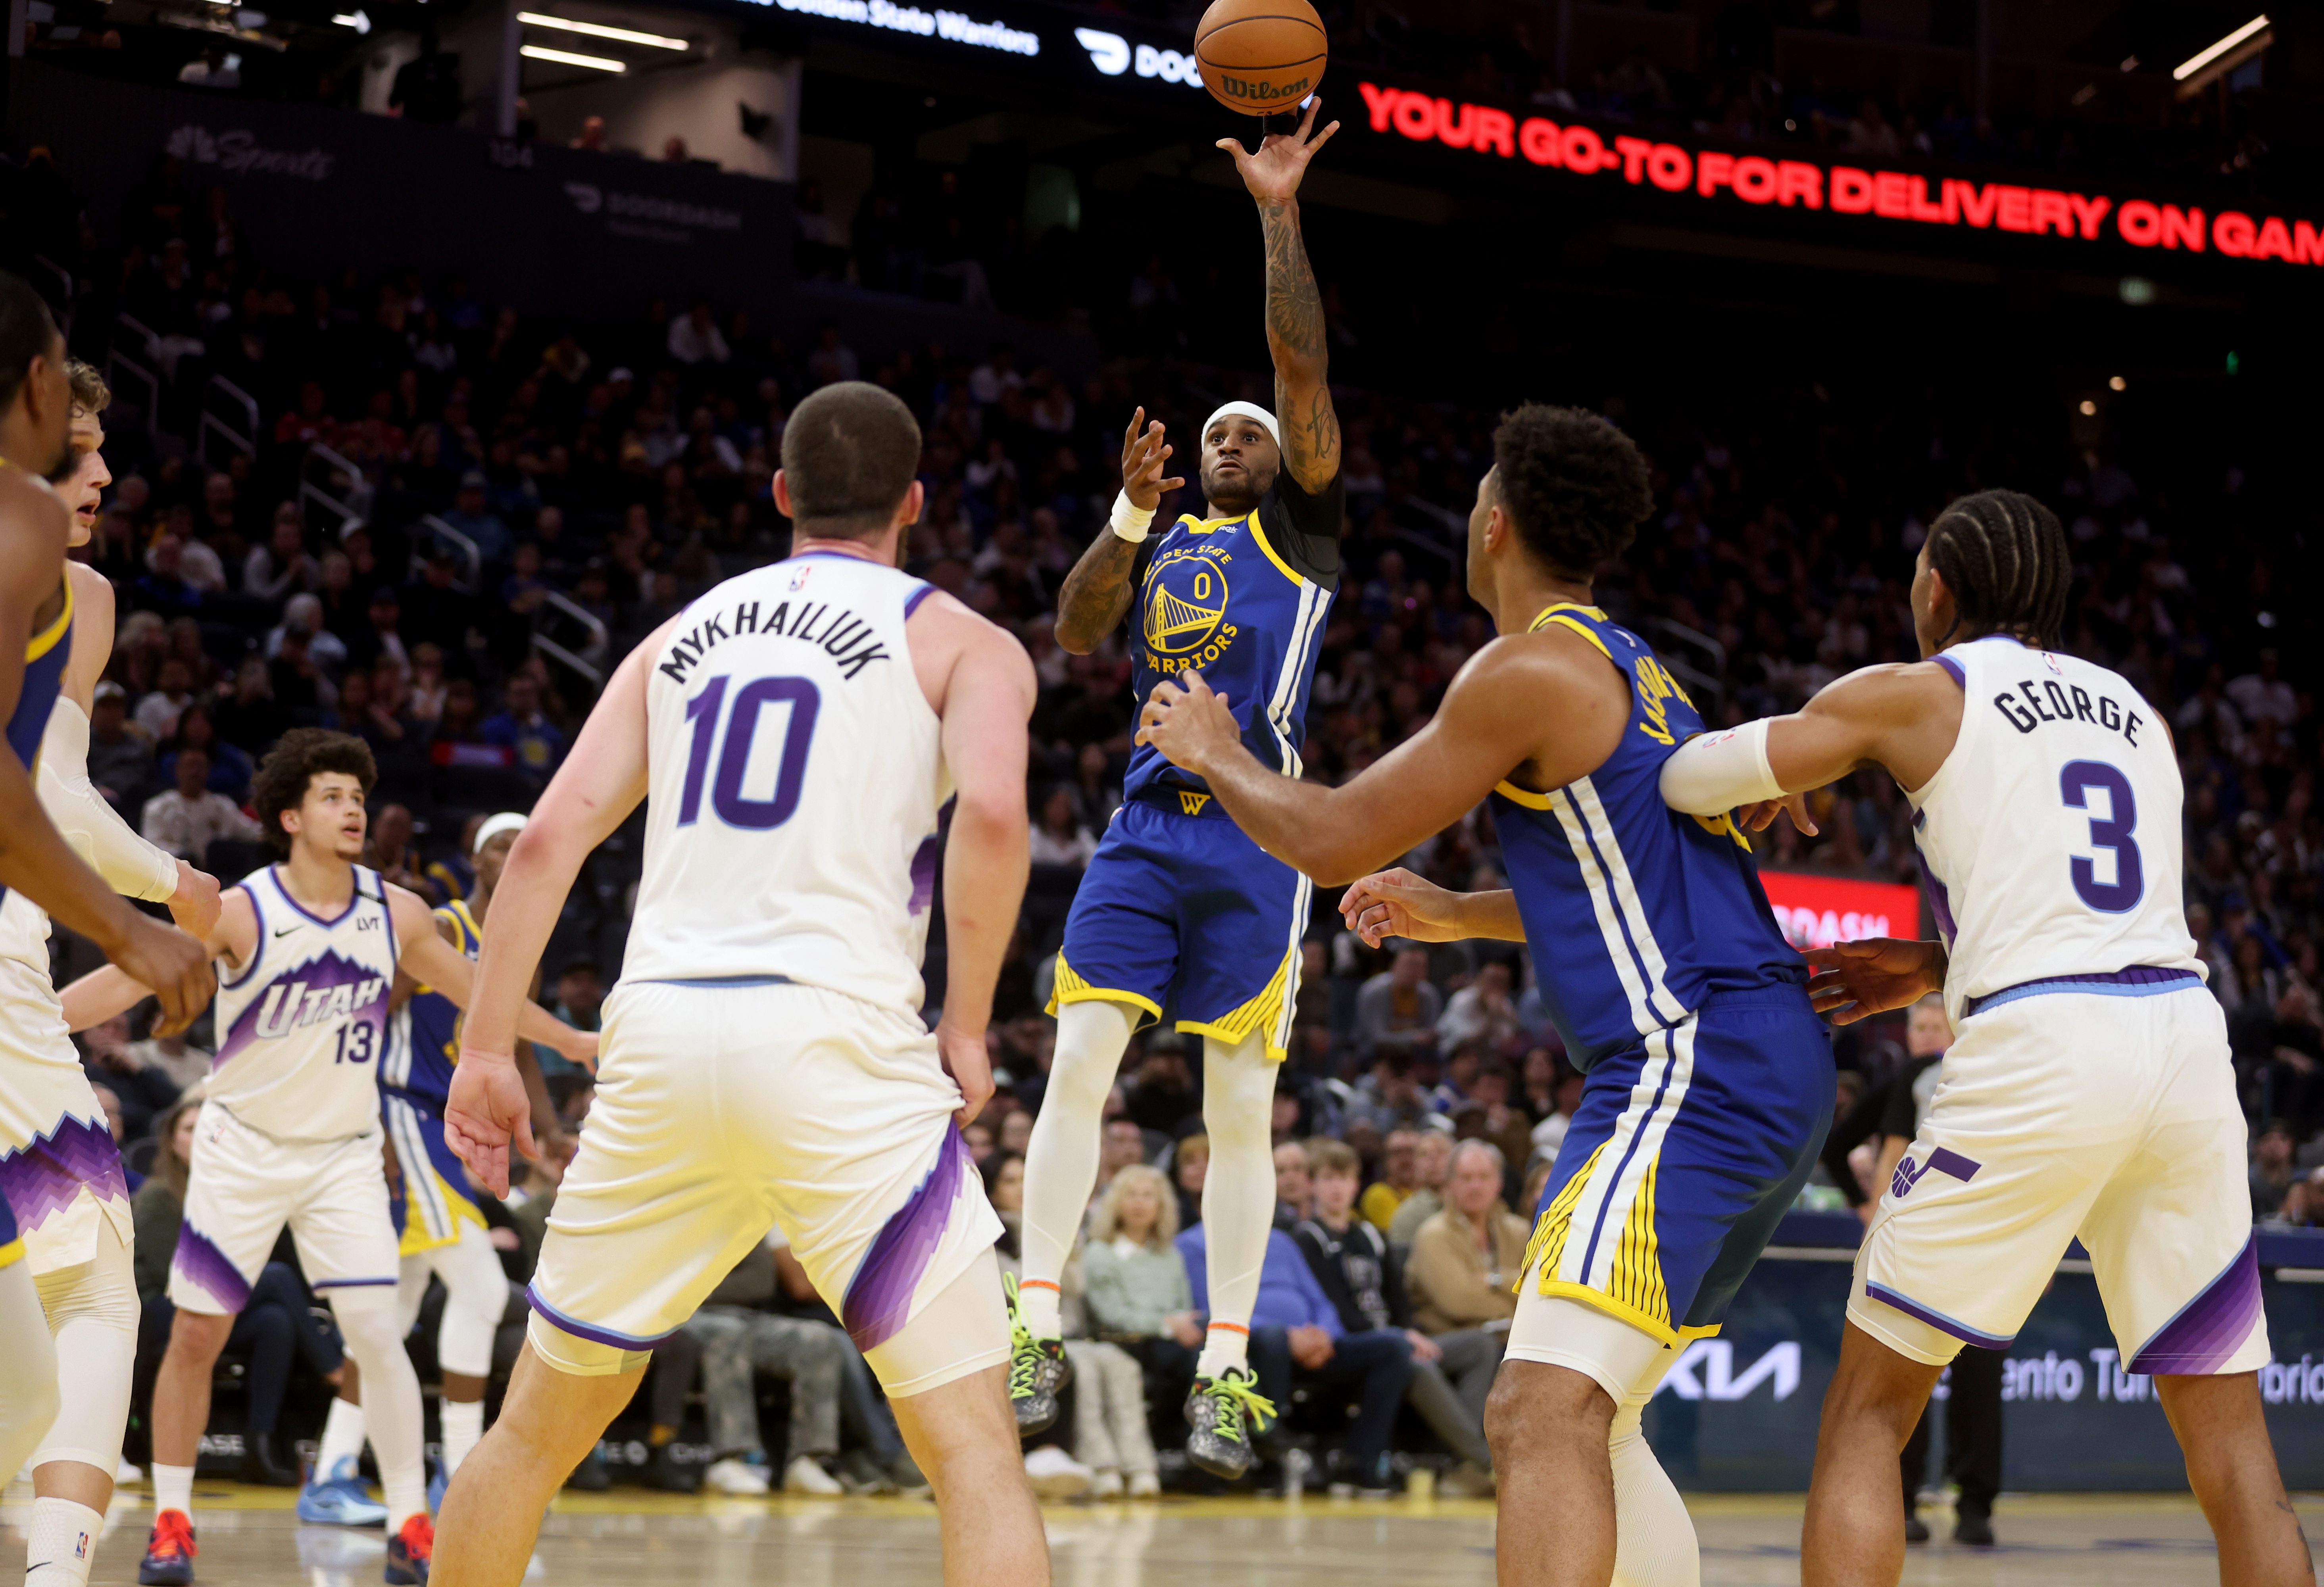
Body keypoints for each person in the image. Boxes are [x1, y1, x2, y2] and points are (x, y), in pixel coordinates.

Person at [1138, 401, 1832, 1587]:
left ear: (1495, 523)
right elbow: (1632, 889)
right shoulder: (1633, 666)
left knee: (1532, 1411)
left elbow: (1335, 832)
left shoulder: (1527, 667)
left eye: (1470, 499)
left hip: (1686, 1064)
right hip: (1755, 1057)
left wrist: (1215, 751)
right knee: (1589, 1416)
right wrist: (1456, 913)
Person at [427, 381, 1049, 1587]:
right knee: (974, 1455)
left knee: (528, 1438)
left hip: (658, 1035)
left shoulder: (678, 635)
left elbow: (548, 841)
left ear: (780, 496)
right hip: (835, 1040)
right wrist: (966, 1019)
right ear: (914, 504)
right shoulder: (961, 640)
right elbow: (996, 810)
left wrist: (488, 1048)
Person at [1657, 488, 2311, 1586]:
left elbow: (1689, 778)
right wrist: (1928, 963)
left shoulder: (1920, 690)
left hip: (2045, 1052)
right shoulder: (2137, 710)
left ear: (1937, 589)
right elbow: (2091, 913)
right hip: (2185, 1052)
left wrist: (1800, 768)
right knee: (2234, 1449)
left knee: (1868, 1420)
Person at [1015, 101, 1349, 1480]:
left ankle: (1222, 1368)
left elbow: (1296, 365)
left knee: (1233, 1108)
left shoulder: (1305, 528)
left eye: (1246, 434)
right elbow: (1077, 629)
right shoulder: (1157, 541)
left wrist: (1276, 213)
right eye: (1214, 434)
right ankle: (1028, 1321)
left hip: (1262, 839)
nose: (1228, 439)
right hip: (1149, 830)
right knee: (1079, 1065)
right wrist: (1124, 514)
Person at [60, 728, 594, 1587]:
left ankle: (413, 1524)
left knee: (379, 1336)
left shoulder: (397, 912)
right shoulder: (239, 908)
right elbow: (130, 977)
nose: (354, 809)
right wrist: (37, 1017)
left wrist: (571, 1035)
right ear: (289, 815)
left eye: (358, 796)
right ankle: (171, 1519)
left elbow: (479, 985)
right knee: (197, 1333)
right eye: (334, 798)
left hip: (344, 1155)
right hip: (239, 1149)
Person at [0, 350, 225, 1587]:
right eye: (76, 447)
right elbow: (49, 797)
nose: (100, 474)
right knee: (93, 1289)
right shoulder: (58, 578)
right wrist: (169, 891)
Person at [315, 814, 557, 1515]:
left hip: (440, 1125)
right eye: (500, 846)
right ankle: (460, 1476)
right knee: (482, 1292)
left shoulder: (523, 950)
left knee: (391, 1312)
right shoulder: (444, 929)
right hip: (399, 1112)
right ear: (477, 862)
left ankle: (332, 1474)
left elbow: (516, 1048)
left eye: (523, 846)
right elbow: (366, 1016)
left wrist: (548, 1133)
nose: (514, 856)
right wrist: (359, 1114)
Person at [1294, 1137, 1494, 1495]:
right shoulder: (1308, 1239)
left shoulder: (1370, 1235)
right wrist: (1400, 1338)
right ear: (1312, 1185)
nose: (1337, 1188)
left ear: (1356, 1184)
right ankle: (1487, 1460)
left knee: (1479, 1345)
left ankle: (1461, 1457)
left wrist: (1407, 1331)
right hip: (1343, 1343)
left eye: (1344, 1179)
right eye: (1327, 1179)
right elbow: (1333, 1305)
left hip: (1393, 1340)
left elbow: (1397, 1298)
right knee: (1402, 1356)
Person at [1078, 1163, 1194, 1499]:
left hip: (1171, 1341)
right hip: (1125, 1342)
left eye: (1148, 1196)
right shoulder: (1100, 1253)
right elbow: (1111, 1314)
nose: (1140, 1203)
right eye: (1131, 1195)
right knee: (1195, 1362)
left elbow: (1183, 1304)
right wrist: (1165, 1324)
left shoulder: (1170, 1255)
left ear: (1162, 1206)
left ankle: (1196, 1455)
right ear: (1115, 1202)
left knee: (1205, 1360)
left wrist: (1177, 1324)